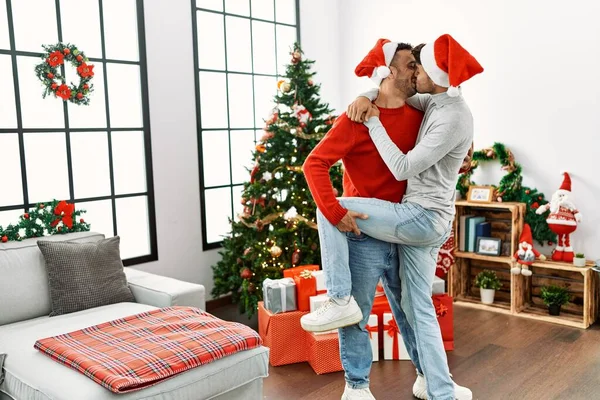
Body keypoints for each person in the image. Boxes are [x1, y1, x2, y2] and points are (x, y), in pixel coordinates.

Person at [303, 34, 482, 400]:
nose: (417, 70)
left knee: (412, 311)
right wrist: (336, 213)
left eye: (420, 65)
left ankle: (430, 381)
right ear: (388, 72)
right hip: (366, 228)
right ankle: (357, 386)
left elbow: (432, 152)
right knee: (357, 310)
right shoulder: (356, 117)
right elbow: (315, 163)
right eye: (411, 65)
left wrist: (463, 155)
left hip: (408, 224)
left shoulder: (423, 111)